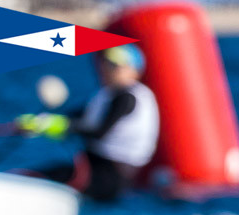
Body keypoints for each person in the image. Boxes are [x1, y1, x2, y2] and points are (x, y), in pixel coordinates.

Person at [17, 44, 159, 203]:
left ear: (134, 71)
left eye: (116, 66)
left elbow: (99, 132)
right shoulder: (105, 95)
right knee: (36, 175)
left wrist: (57, 126)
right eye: (106, 63)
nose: (108, 69)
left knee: (37, 178)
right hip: (95, 168)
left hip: (109, 176)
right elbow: (75, 118)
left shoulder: (127, 98)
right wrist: (40, 123)